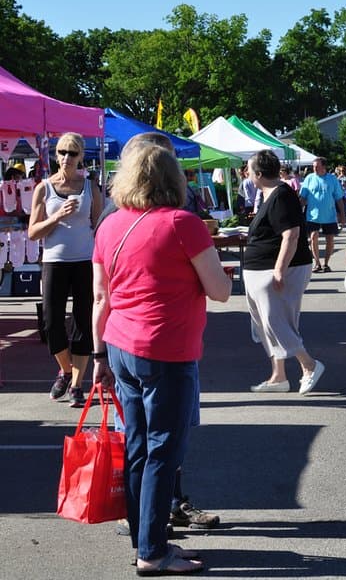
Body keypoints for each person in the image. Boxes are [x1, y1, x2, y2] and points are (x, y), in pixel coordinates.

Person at [91, 143, 231, 575]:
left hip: (120, 345)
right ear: (174, 179)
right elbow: (220, 291)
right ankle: (152, 551)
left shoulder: (110, 226)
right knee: (162, 452)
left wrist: (97, 355)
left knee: (138, 447)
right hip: (165, 349)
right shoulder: (183, 225)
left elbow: (101, 296)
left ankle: (145, 540)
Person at [28, 132, 103, 408]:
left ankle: (76, 384)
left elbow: (100, 226)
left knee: (83, 322)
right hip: (54, 261)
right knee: (51, 322)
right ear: (55, 155)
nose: (66, 158)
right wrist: (57, 216)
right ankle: (65, 368)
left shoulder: (89, 187)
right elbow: (33, 232)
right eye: (61, 152)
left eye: (72, 153)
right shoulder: (44, 188)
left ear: (82, 156)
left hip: (84, 260)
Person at [246, 150, 325, 394]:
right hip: (261, 269)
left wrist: (279, 270)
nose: (247, 174)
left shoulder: (281, 195)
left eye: (249, 170)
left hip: (277, 269)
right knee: (264, 325)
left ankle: (309, 365)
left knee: (276, 322)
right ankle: (278, 376)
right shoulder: (270, 194)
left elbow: (291, 235)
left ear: (258, 174)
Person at [299, 157, 345, 273]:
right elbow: (303, 197)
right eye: (313, 166)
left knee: (330, 239)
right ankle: (317, 263)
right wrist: (298, 211)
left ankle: (326, 263)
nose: (314, 168)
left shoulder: (332, 179)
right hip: (312, 215)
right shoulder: (309, 178)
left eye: (317, 166)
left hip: (329, 215)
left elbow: (339, 198)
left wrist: (342, 215)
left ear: (324, 167)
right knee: (313, 237)